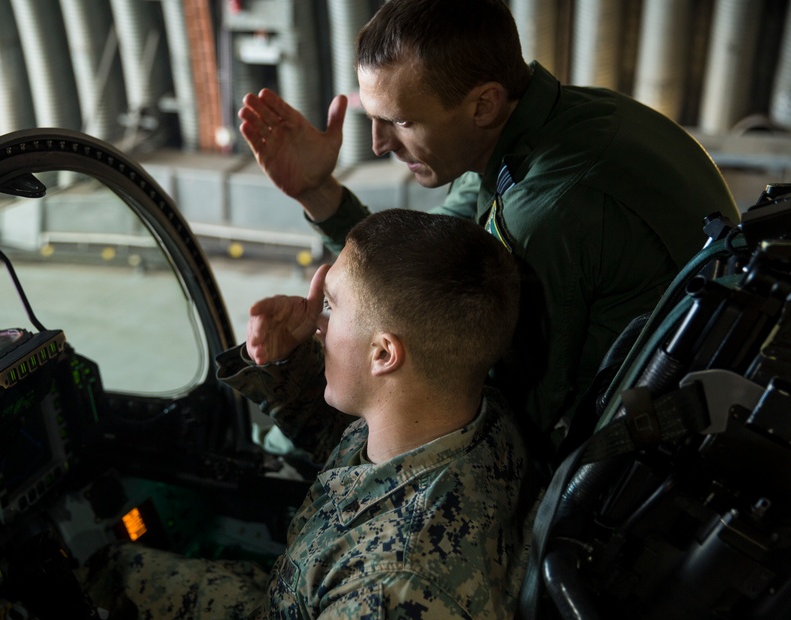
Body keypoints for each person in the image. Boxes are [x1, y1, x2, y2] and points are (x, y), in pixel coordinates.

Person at [238, 0, 741, 453]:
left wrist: (301, 386)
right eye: (374, 118)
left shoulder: (544, 212)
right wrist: (318, 191)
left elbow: (497, 418)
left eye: (401, 122)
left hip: (615, 462)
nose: (378, 144)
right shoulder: (551, 125)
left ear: (484, 104)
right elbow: (412, 272)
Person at [80, 209, 537, 620]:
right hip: (283, 618)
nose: (317, 320)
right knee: (113, 572)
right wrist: (286, 366)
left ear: (382, 353)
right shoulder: (462, 412)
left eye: (333, 306)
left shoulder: (386, 608)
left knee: (91, 592)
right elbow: (358, 457)